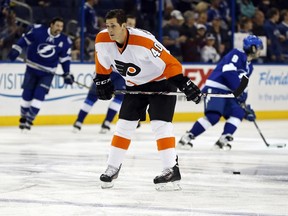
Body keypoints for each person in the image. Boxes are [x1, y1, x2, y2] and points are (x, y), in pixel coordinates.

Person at [93, 9, 201, 190]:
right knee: (124, 124)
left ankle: (170, 169)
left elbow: (170, 63)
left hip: (161, 82)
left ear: (124, 26)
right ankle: (113, 167)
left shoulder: (143, 42)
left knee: (160, 124)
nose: (109, 30)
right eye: (107, 25)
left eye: (113, 26)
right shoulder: (102, 40)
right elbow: (102, 63)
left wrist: (184, 83)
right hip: (135, 84)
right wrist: (102, 80)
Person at [178, 35, 263, 150]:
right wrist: (239, 92)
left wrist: (244, 103)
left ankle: (222, 140)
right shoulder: (237, 54)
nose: (260, 50)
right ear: (252, 48)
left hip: (230, 92)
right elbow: (227, 72)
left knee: (239, 112)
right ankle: (187, 137)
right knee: (213, 117)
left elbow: (243, 85)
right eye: (258, 47)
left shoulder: (250, 67)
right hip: (216, 88)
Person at [72, 14, 138, 134]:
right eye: (129, 24)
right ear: (122, 24)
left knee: (119, 98)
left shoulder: (136, 40)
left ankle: (107, 122)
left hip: (121, 75)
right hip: (105, 71)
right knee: (92, 96)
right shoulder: (109, 36)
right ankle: (79, 121)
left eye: (133, 24)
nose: (131, 26)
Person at [7, 17, 74, 131]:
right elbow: (25, 40)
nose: (59, 28)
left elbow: (64, 59)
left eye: (61, 26)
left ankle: (30, 119)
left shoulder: (65, 41)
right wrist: (17, 49)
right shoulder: (38, 31)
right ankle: (23, 116)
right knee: (27, 94)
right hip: (32, 68)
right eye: (57, 25)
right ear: (51, 25)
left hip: (47, 73)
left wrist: (67, 73)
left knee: (39, 94)